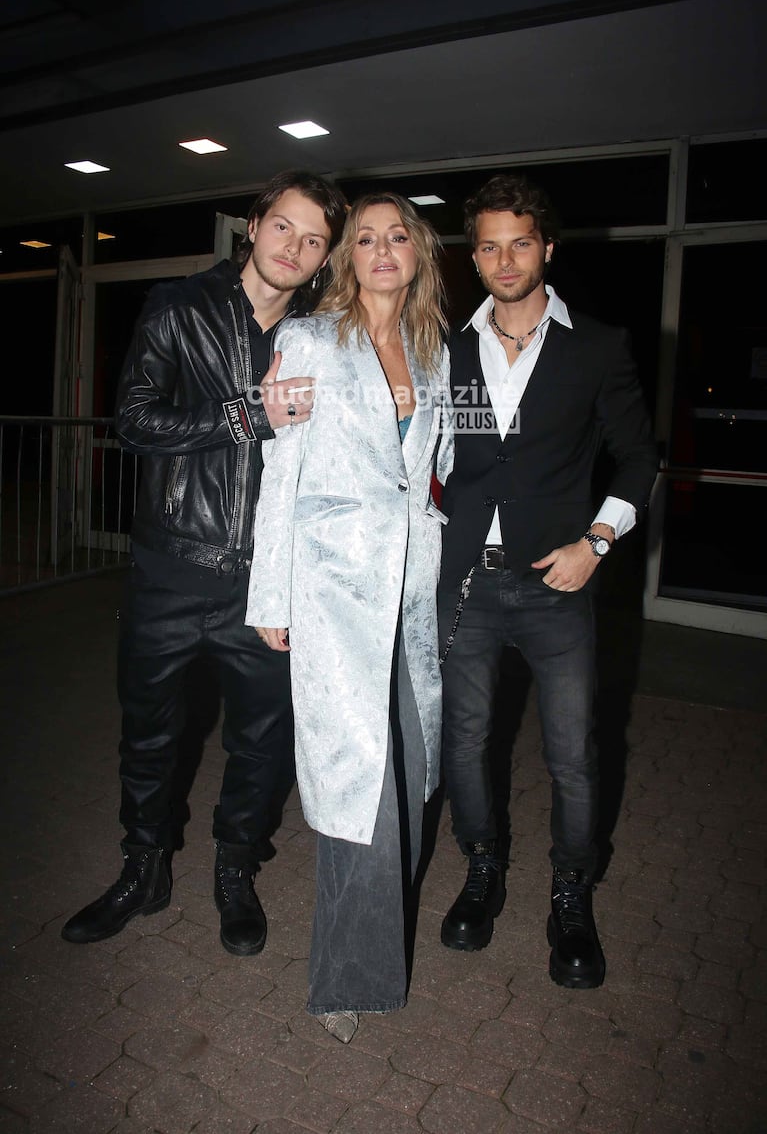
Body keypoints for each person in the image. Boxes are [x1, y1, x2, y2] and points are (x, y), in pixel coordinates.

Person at [61, 169, 348, 956]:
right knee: (149, 733)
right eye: (284, 226)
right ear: (253, 225)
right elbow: (135, 421)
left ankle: (234, 869)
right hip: (172, 567)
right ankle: (143, 868)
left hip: (268, 580)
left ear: (325, 258)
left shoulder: (323, 335)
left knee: (260, 740)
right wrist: (251, 411)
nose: (295, 246)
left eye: (314, 238)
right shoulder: (178, 305)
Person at [438, 173, 657, 989]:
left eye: (518, 242)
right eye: (488, 245)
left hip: (557, 582)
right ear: (476, 254)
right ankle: (482, 866)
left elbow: (638, 458)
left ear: (547, 249)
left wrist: (596, 541)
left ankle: (570, 894)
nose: (503, 259)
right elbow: (429, 457)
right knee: (461, 743)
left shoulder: (597, 346)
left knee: (571, 755)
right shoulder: (446, 347)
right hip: (465, 584)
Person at [245, 192, 453, 1042]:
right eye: (362, 238)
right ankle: (348, 979)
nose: (379, 250)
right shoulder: (305, 340)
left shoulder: (436, 355)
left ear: (417, 255)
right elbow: (279, 472)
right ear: (346, 257)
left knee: (409, 770)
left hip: (413, 591)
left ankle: (374, 942)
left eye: (396, 236)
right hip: (333, 594)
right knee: (354, 785)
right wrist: (271, 596)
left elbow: (440, 468)